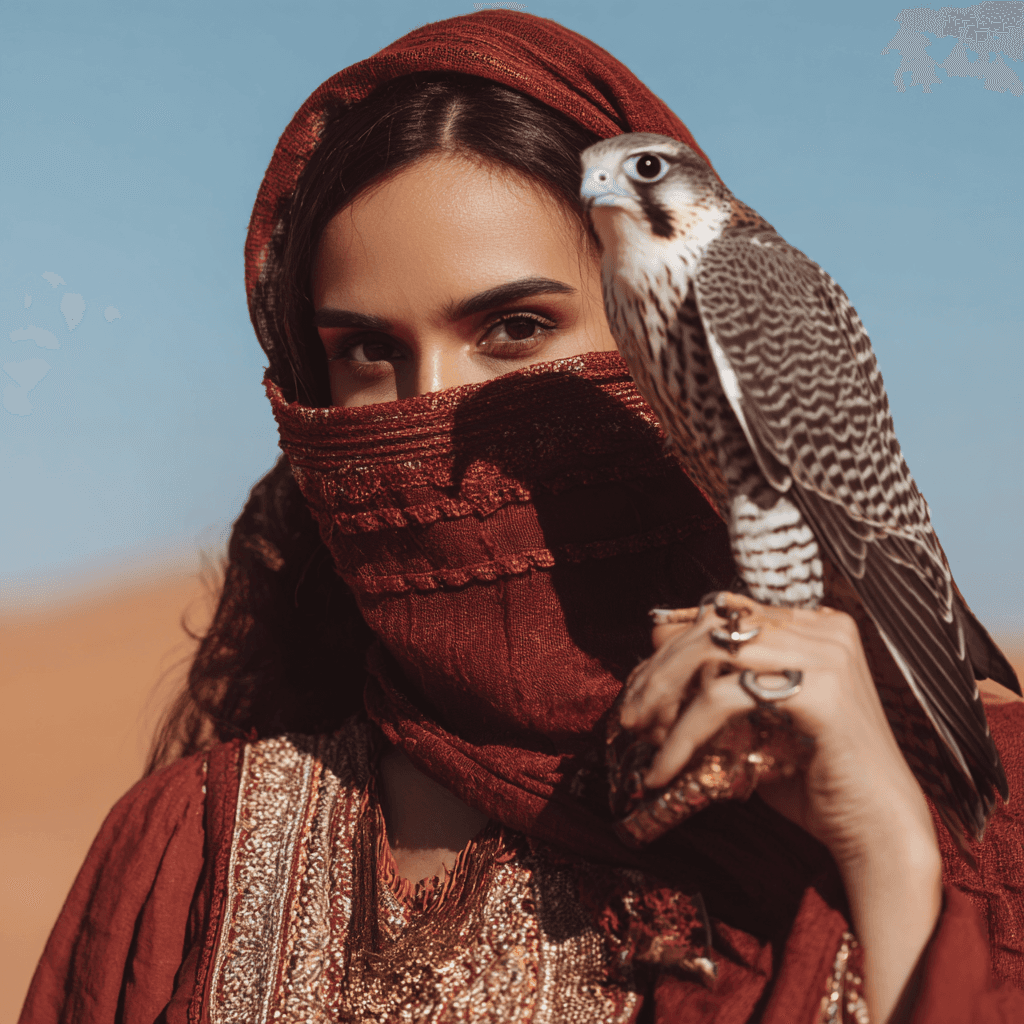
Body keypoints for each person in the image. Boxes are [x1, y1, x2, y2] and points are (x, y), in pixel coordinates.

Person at [18, 11, 1024, 1024]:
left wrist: (895, 851)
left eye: (513, 327)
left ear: (648, 328)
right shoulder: (185, 860)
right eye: (367, 352)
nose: (432, 405)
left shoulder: (986, 824)